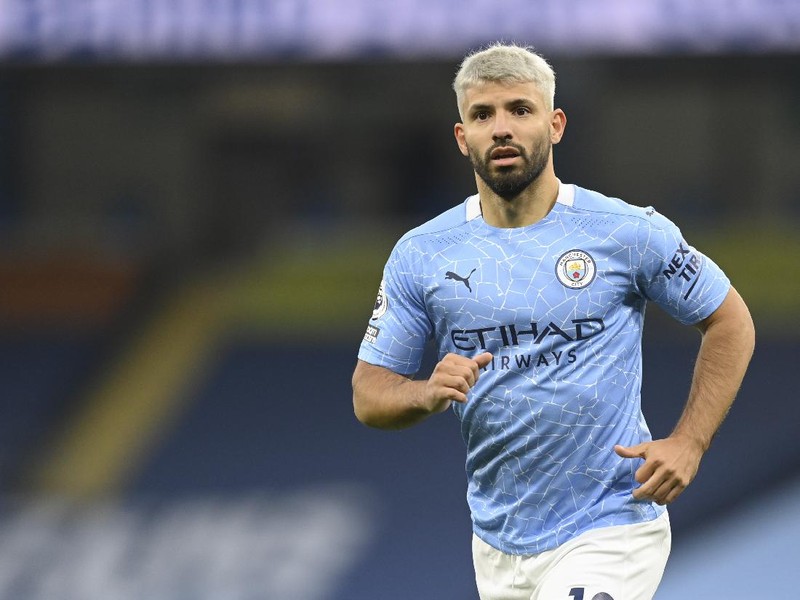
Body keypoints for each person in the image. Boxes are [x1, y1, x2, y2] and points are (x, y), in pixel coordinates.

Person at [351, 42, 755, 600]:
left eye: (520, 109)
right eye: (482, 115)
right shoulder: (422, 254)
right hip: (498, 541)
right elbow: (368, 394)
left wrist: (690, 441)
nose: (501, 128)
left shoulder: (626, 232)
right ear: (462, 137)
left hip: (611, 521)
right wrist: (425, 393)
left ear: (555, 124)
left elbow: (730, 321)